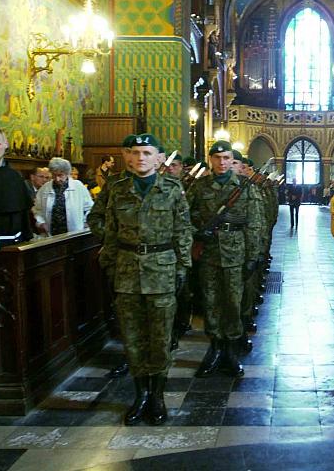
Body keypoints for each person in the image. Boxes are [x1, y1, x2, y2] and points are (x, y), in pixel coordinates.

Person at [99, 133, 192, 426]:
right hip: (126, 272)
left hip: (162, 270)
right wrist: (111, 263)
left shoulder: (173, 189)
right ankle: (139, 395)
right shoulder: (117, 189)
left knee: (161, 338)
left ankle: (157, 395)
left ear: (159, 158)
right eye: (136, 152)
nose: (140, 158)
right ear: (128, 156)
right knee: (133, 338)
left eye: (147, 153)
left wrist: (182, 269)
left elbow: (183, 231)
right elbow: (106, 228)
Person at [187, 140, 264, 378]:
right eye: (217, 158)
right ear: (210, 160)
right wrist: (195, 233)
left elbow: (255, 224)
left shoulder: (245, 187)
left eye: (226, 158)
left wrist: (252, 257)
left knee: (233, 303)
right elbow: (181, 217)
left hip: (235, 253)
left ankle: (230, 351)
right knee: (210, 302)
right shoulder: (199, 188)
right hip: (208, 253)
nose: (222, 162)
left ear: (232, 161)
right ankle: (215, 348)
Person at [87, 134, 137, 379]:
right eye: (128, 151)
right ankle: (128, 356)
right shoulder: (114, 184)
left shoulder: (161, 184)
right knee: (123, 313)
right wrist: (109, 238)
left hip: (152, 262)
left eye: (139, 151)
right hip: (120, 260)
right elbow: (94, 216)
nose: (134, 156)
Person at [33, 157, 94, 236]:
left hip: (75, 233)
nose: (57, 179)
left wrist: (86, 222)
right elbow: (37, 209)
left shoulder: (78, 186)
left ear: (67, 173)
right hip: (52, 233)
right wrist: (41, 222)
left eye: (60, 175)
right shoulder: (45, 188)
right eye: (54, 175)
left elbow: (90, 208)